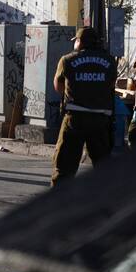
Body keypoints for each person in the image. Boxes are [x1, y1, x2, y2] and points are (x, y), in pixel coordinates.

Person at [52, 27, 117, 187]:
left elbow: (58, 86)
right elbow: (111, 85)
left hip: (75, 118)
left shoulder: (67, 60)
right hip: (101, 119)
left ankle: (58, 201)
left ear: (79, 41)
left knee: (65, 165)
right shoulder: (109, 61)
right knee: (103, 165)